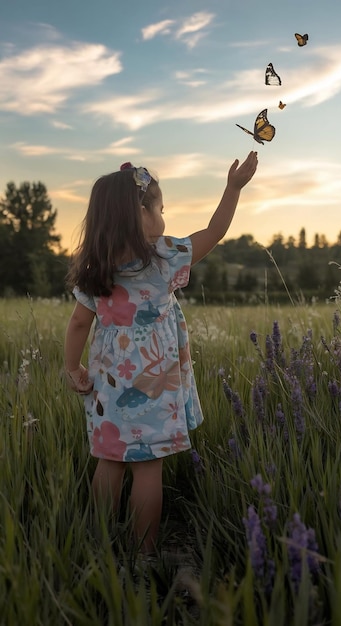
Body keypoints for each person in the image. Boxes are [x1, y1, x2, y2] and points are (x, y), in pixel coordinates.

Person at [64, 153, 258, 554]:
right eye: (161, 208)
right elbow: (215, 231)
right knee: (148, 469)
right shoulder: (164, 258)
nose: (164, 217)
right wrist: (233, 188)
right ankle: (143, 554)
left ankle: (99, 543)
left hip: (109, 385)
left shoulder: (94, 267)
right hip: (156, 383)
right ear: (141, 214)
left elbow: (79, 324)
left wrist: (72, 366)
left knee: (109, 460)